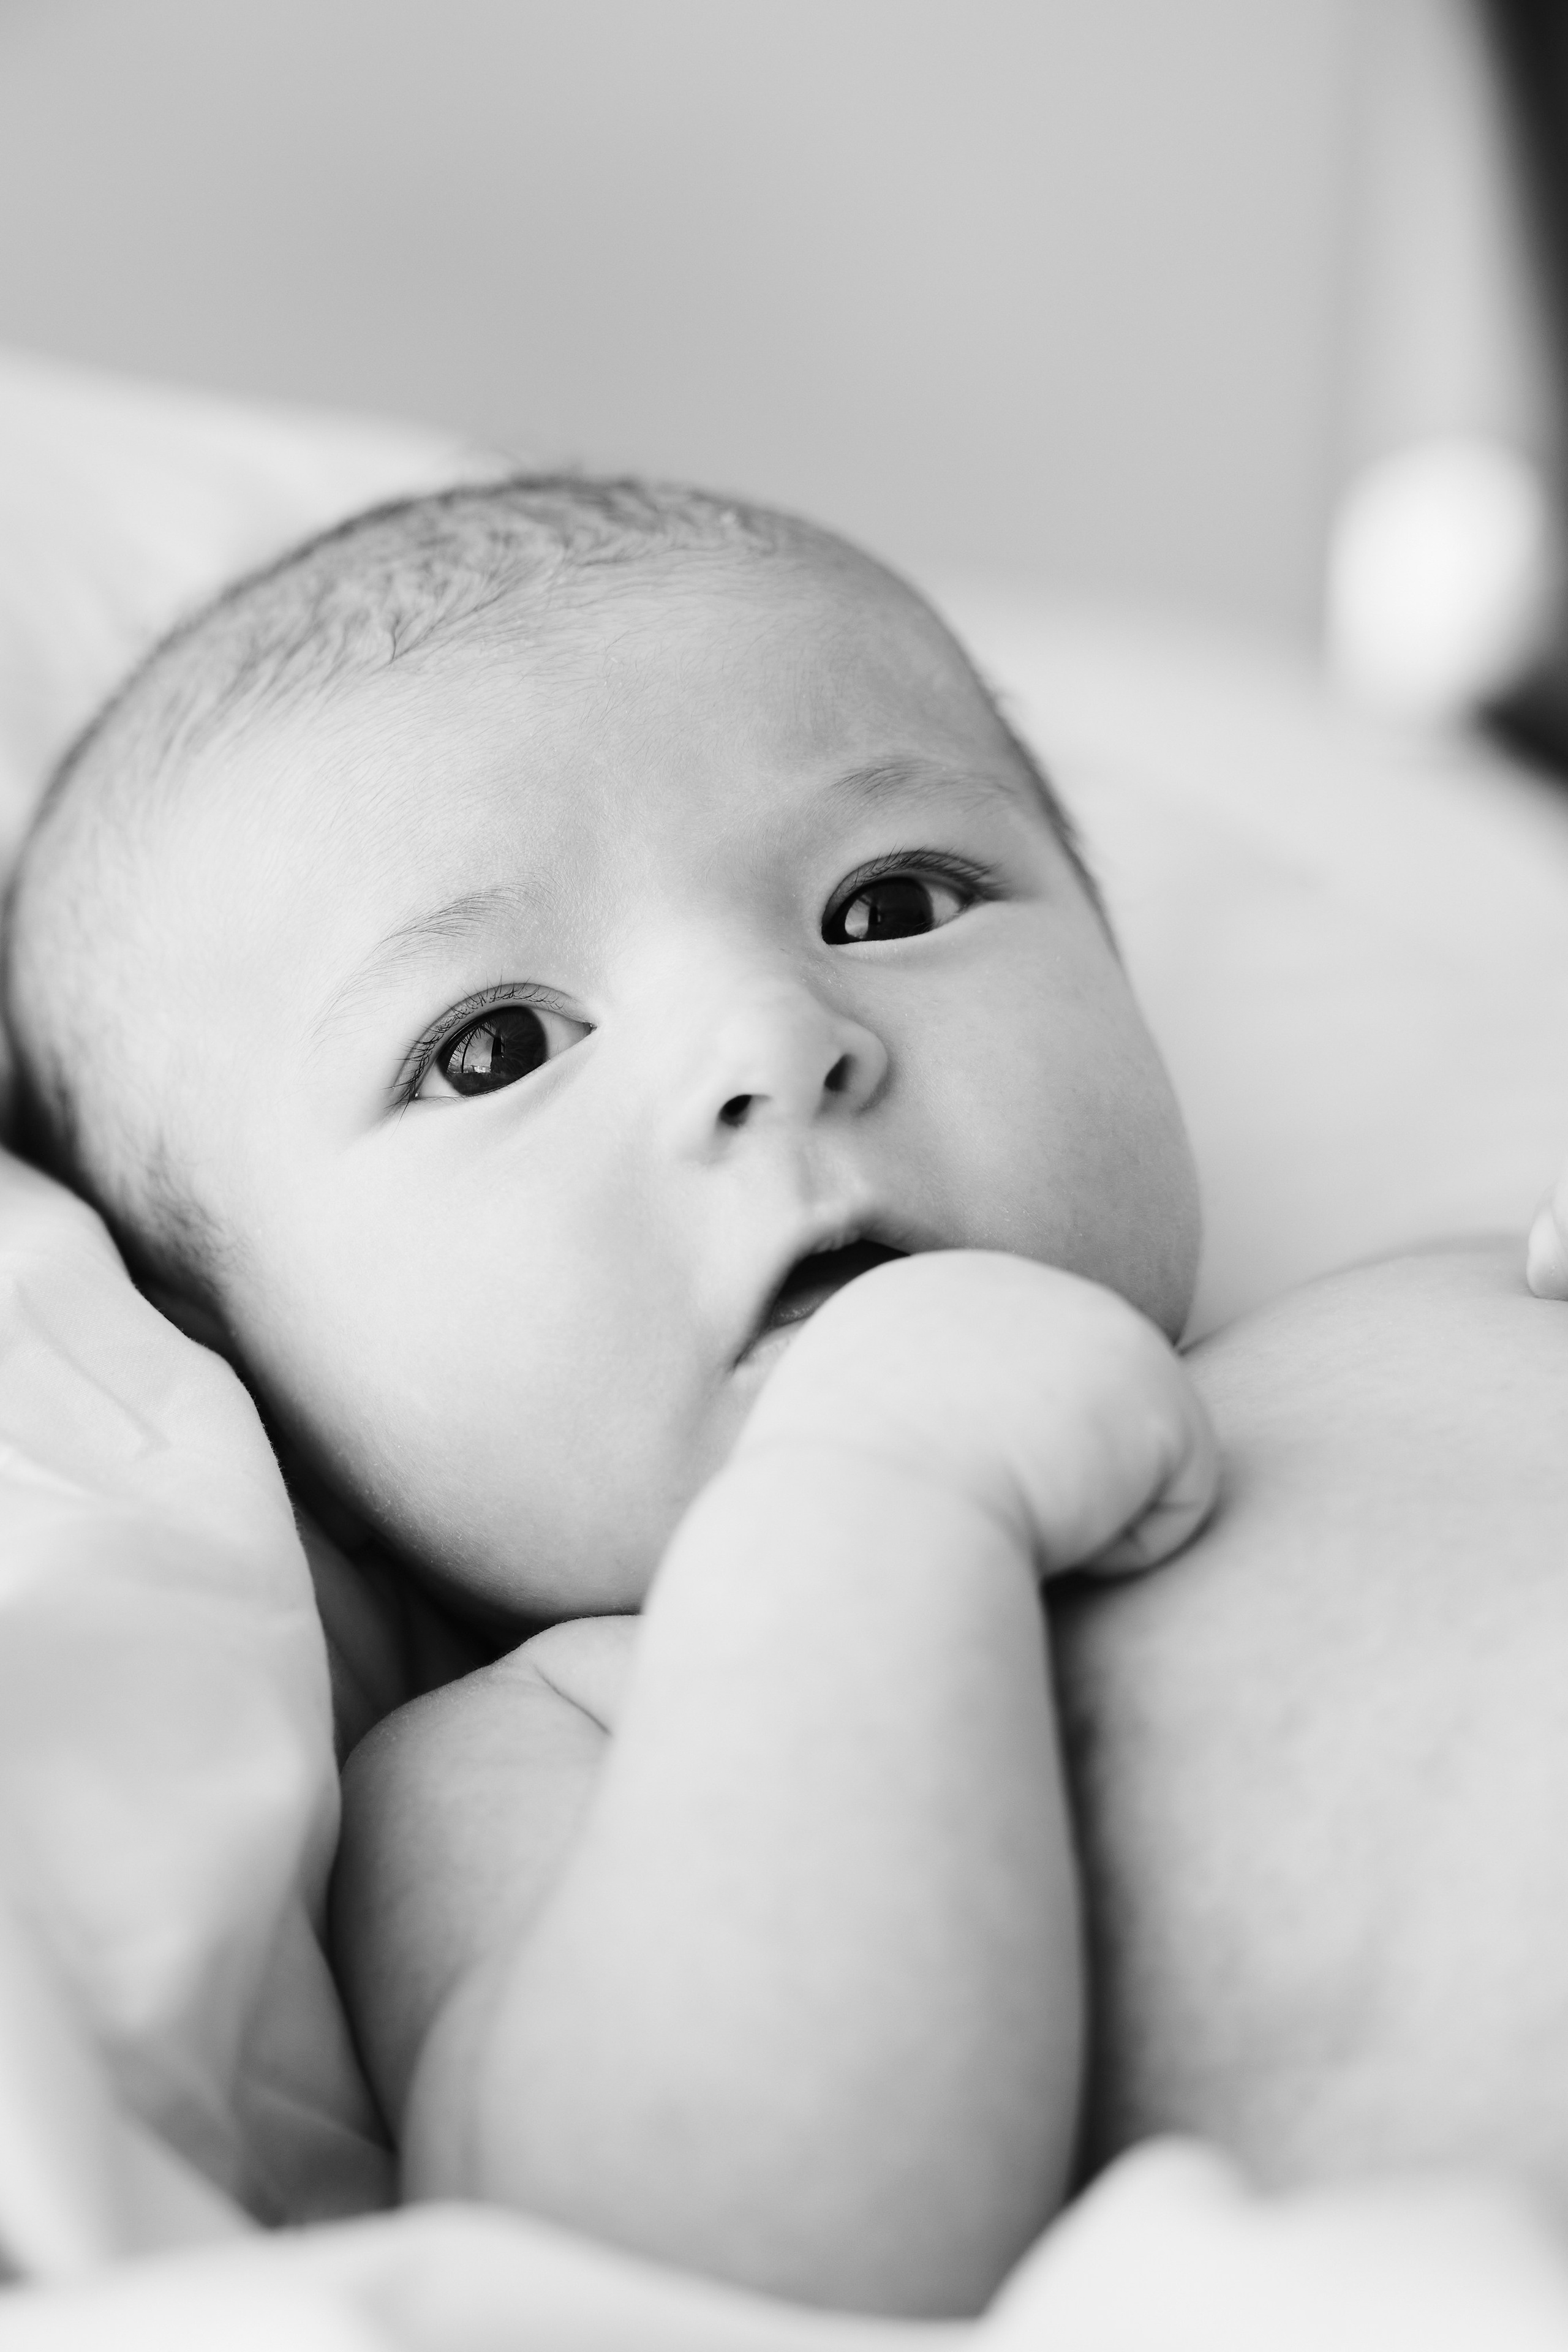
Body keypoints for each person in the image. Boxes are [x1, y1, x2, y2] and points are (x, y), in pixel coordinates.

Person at [4, 478, 1567, 2320]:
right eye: (495, 1045)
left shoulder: (1442, 1289)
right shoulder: (551, 1751)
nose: (772, 1038)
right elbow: (717, 2261)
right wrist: (877, 1491)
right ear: (247, 1355)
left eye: (892, 900)